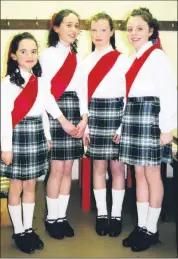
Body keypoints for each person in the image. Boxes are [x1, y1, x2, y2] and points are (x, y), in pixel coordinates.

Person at [119, 7, 177, 252]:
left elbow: (169, 93)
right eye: (130, 29)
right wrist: (122, 125)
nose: (133, 33)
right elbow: (127, 97)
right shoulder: (133, 57)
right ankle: (141, 226)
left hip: (151, 118)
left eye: (139, 28)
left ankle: (151, 229)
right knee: (138, 174)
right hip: (133, 117)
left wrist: (166, 128)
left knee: (152, 175)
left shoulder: (157, 56)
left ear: (151, 30)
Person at [0, 32, 63, 254]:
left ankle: (28, 229)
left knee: (31, 185)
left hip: (35, 134)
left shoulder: (41, 81)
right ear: (14, 56)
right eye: (23, 51)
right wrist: (6, 147)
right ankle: (19, 231)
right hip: (17, 135)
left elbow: (45, 111)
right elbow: (4, 117)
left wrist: (47, 136)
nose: (29, 55)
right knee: (16, 186)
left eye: (33, 51)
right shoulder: (7, 83)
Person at [40, 9, 88, 239]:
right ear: (56, 27)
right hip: (56, 112)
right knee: (57, 169)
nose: (73, 29)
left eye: (76, 25)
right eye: (68, 24)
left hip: (75, 111)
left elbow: (82, 90)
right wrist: (63, 120)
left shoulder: (77, 57)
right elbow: (45, 93)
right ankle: (51, 218)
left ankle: (61, 217)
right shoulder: (48, 55)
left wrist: (84, 118)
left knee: (69, 168)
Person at [82, 12, 130, 237]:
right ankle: (102, 214)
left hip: (116, 115)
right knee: (99, 167)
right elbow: (83, 96)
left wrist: (122, 126)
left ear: (112, 32)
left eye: (103, 29)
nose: (98, 34)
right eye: (93, 30)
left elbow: (128, 95)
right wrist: (87, 125)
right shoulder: (86, 61)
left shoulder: (122, 59)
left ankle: (116, 215)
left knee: (117, 168)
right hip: (94, 114)